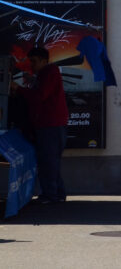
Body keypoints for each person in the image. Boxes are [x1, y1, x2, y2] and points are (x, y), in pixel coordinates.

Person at [11, 46, 68, 204]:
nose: (32, 66)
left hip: (50, 124)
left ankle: (51, 195)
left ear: (44, 61)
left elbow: (40, 95)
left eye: (34, 62)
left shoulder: (50, 72)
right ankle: (57, 193)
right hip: (50, 124)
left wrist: (19, 89)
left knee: (48, 160)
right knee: (51, 161)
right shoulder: (45, 74)